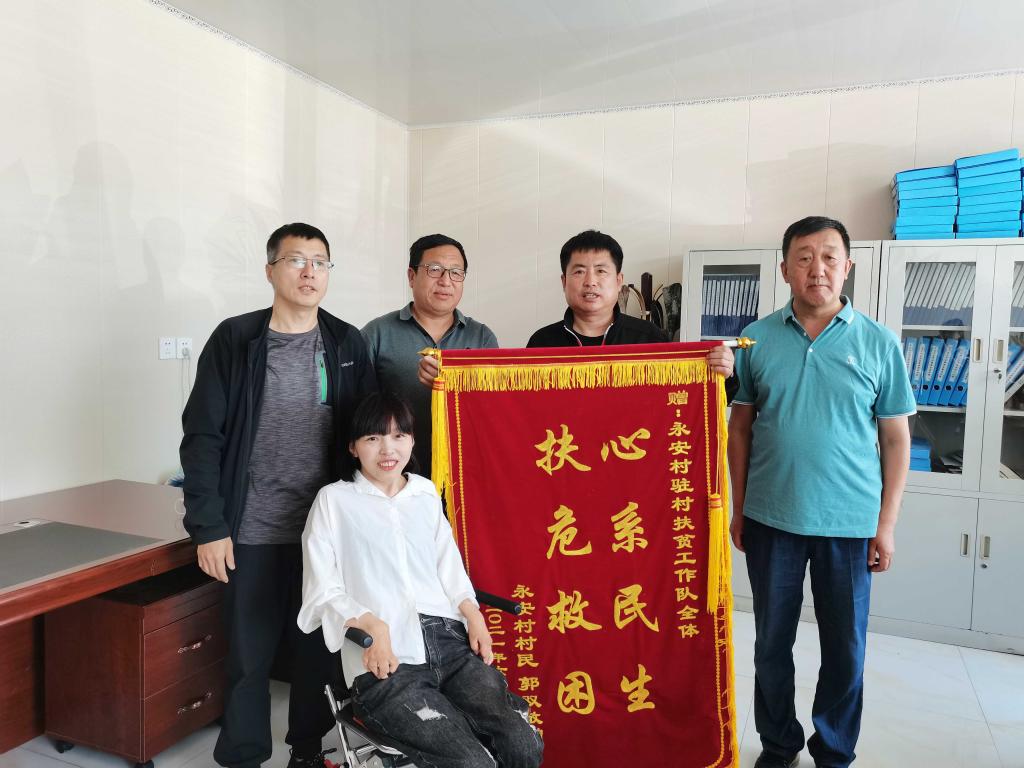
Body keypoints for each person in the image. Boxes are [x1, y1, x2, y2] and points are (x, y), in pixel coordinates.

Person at [180, 223, 377, 768]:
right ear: (270, 270)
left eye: (320, 262)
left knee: (317, 653)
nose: (309, 272)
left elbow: (366, 435)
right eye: (295, 260)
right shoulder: (236, 339)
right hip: (252, 528)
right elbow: (202, 437)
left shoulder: (346, 342)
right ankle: (243, 754)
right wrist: (209, 526)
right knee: (249, 655)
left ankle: (307, 751)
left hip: (324, 534)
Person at [728, 216, 914, 768]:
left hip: (850, 523)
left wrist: (886, 525)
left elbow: (896, 439)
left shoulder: (879, 342)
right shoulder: (756, 338)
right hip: (771, 517)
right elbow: (740, 430)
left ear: (847, 267)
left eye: (830, 256)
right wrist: (739, 508)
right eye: (804, 257)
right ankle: (779, 744)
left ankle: (834, 749)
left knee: (845, 648)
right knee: (770, 644)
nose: (818, 268)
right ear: (784, 268)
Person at [298, 392, 544, 768]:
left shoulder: (424, 493)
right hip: (385, 660)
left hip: (451, 645)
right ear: (353, 447)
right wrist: (372, 624)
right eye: (373, 438)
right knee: (470, 762)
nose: (387, 449)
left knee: (524, 744)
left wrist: (473, 614)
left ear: (412, 441)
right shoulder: (334, 501)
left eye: (399, 436)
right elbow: (321, 590)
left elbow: (449, 566)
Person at [362, 234, 498, 478]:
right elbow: (361, 412)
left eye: (456, 272)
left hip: (464, 473)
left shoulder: (481, 337)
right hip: (394, 475)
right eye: (434, 270)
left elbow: (494, 412)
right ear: (411, 276)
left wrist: (452, 385)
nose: (446, 281)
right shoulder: (377, 334)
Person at [526, 229, 734, 377]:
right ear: (564, 282)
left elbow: (687, 393)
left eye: (601, 271)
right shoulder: (542, 343)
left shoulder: (649, 338)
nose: (590, 282)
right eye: (579, 271)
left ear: (618, 281)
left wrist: (723, 371)